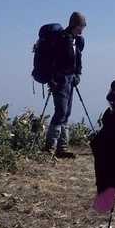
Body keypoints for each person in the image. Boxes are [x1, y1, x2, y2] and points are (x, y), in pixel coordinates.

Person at [44, 12, 86, 159]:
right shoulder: (62, 39)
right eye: (81, 26)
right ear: (75, 25)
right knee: (61, 111)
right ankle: (50, 148)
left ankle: (61, 148)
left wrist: (77, 74)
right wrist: (52, 79)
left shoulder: (76, 40)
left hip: (70, 79)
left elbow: (77, 59)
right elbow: (52, 61)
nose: (83, 29)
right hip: (60, 79)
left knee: (66, 112)